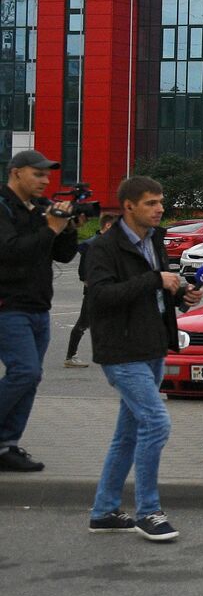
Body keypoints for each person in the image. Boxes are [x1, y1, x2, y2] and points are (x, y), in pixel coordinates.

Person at [85, 176, 203, 541]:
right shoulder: (103, 248)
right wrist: (157, 280)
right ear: (129, 206)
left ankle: (104, 511)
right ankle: (148, 511)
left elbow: (154, 290)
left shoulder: (154, 238)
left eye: (161, 201)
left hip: (152, 345)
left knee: (129, 432)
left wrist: (180, 295)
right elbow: (101, 297)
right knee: (156, 424)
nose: (159, 208)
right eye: (151, 203)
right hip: (121, 352)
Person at [0, 149, 81, 473]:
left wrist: (68, 227)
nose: (45, 181)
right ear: (16, 172)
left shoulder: (42, 209)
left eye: (47, 175)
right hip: (8, 306)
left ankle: (7, 445)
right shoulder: (3, 207)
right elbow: (9, 252)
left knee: (31, 379)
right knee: (25, 372)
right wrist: (49, 227)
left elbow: (63, 255)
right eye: (38, 174)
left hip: (38, 306)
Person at [64, 212, 119, 368]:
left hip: (110, 289)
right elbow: (83, 271)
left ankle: (113, 354)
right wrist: (91, 283)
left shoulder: (110, 244)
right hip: (95, 291)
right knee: (83, 322)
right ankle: (70, 356)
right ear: (108, 225)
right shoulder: (92, 244)